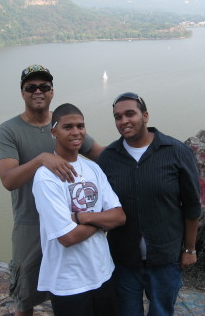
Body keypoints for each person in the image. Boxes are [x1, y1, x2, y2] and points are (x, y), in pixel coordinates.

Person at [0, 64, 104, 316]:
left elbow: (102, 155)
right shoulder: (9, 131)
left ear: (52, 92)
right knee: (26, 295)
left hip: (70, 221)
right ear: (22, 93)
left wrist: (137, 152)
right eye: (30, 87)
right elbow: (8, 180)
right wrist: (42, 158)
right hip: (30, 222)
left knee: (71, 287)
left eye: (44, 86)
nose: (38, 91)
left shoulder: (65, 123)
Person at [98, 92, 202, 316]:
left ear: (145, 115)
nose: (124, 121)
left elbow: (192, 206)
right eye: (118, 117)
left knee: (162, 312)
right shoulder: (108, 158)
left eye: (130, 114)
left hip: (165, 258)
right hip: (123, 259)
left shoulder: (176, 152)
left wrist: (190, 249)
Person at [32, 103, 126, 316]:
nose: (76, 132)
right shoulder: (45, 177)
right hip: (69, 283)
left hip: (104, 273)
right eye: (68, 127)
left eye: (80, 126)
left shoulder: (94, 168)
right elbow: (67, 237)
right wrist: (102, 221)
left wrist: (82, 217)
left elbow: (119, 216)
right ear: (54, 131)